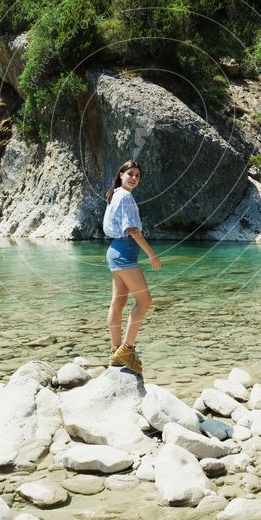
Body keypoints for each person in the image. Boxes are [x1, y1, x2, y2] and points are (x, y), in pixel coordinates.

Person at [103, 159, 162, 375]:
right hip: (125, 252)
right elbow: (133, 230)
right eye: (130, 174)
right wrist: (151, 254)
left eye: (137, 175)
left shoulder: (115, 194)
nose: (134, 178)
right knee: (145, 301)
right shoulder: (125, 197)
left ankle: (115, 352)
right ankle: (127, 349)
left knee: (118, 302)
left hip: (114, 252)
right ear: (121, 174)